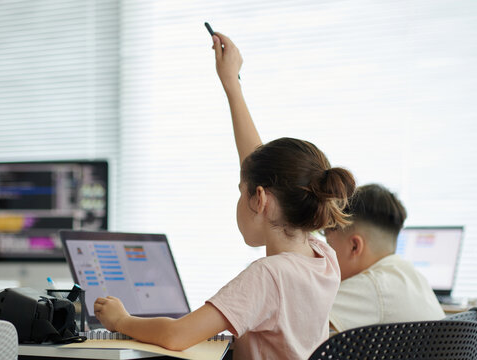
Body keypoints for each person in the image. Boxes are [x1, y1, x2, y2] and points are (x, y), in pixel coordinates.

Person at [93, 32, 356, 359]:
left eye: (240, 192)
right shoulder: (322, 258)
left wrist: (123, 320)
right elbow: (258, 165)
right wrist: (231, 83)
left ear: (259, 199)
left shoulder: (268, 276)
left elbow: (178, 335)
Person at [325, 184, 445, 332]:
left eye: (329, 245)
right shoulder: (414, 276)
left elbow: (297, 320)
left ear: (355, 246)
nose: (325, 256)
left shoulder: (372, 285)